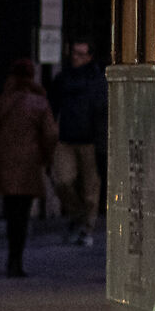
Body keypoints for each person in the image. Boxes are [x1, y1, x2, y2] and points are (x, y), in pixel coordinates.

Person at [0, 58, 57, 278]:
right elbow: (51, 134)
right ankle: (17, 259)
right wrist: (46, 156)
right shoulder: (40, 103)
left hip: (4, 163)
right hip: (30, 164)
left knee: (11, 211)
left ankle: (12, 258)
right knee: (22, 214)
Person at [46, 41, 107, 245]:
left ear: (89, 57)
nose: (76, 58)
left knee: (91, 189)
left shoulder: (98, 81)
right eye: (74, 53)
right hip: (66, 138)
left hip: (90, 140)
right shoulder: (63, 79)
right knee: (63, 180)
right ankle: (77, 216)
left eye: (81, 54)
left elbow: (102, 112)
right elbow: (52, 107)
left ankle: (85, 228)